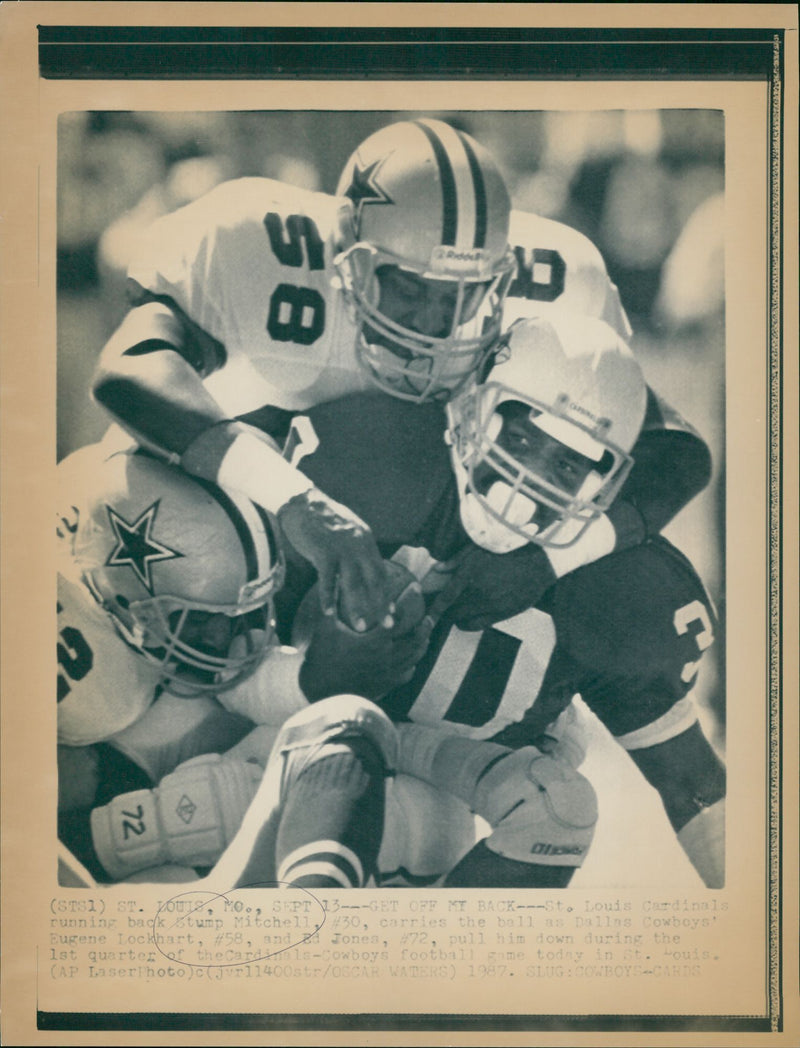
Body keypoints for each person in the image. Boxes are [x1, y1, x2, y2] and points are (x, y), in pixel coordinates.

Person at [89, 117, 709, 639]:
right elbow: (129, 365)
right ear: (348, 259)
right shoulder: (256, 242)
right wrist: (292, 499)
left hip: (407, 584)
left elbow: (672, 451)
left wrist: (550, 561)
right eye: (410, 289)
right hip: (216, 570)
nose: (435, 325)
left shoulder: (556, 281)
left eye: (462, 296)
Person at [212, 311, 724, 891]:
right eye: (522, 437)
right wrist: (314, 679)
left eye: (565, 464)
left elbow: (695, 786)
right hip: (283, 771)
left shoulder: (610, 581)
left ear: (604, 486)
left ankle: (451, 971)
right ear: (471, 407)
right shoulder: (372, 464)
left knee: (556, 806)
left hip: (444, 807)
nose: (528, 477)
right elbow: (214, 671)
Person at [56, 441, 430, 884]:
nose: (221, 636)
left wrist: (315, 681)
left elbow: (232, 675)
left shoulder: (125, 467)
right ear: (113, 593)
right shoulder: (98, 691)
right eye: (200, 620)